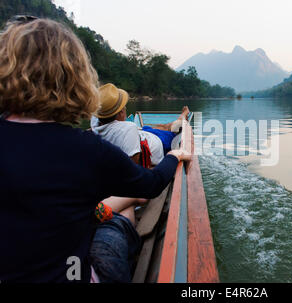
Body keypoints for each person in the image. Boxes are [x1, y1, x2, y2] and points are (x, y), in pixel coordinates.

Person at [0, 17, 190, 283]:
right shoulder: (85, 149)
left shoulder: (92, 136)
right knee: (118, 218)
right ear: (73, 79)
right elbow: (152, 185)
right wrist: (173, 156)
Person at [91, 83, 190, 166]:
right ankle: (183, 116)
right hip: (159, 143)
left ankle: (179, 118)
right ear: (121, 112)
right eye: (124, 107)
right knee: (173, 128)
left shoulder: (96, 123)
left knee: (161, 126)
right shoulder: (128, 128)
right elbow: (133, 167)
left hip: (142, 134)